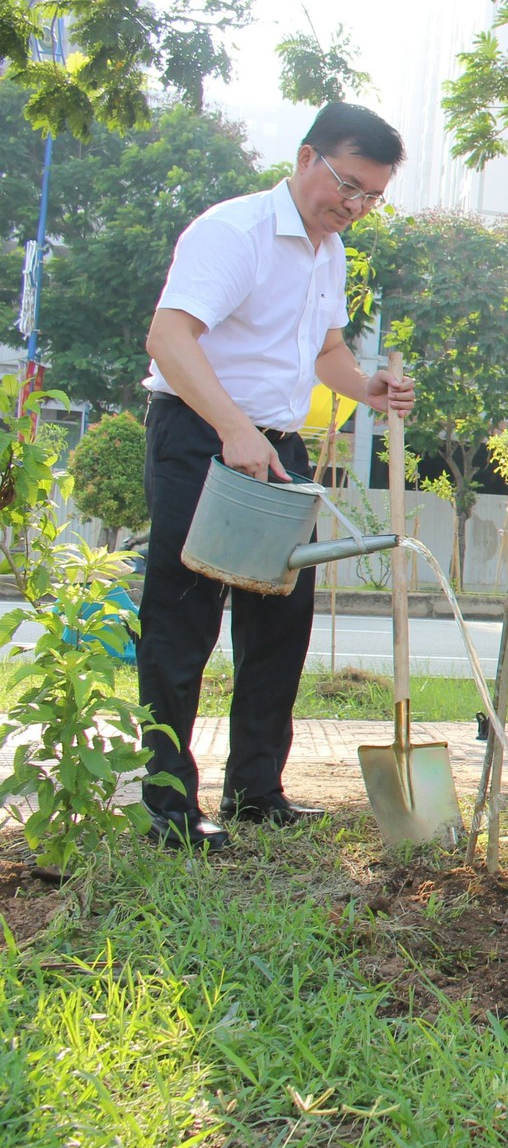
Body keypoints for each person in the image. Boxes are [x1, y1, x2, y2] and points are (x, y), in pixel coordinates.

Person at [137, 101, 415, 851]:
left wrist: (367, 389)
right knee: (183, 616)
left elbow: (325, 353)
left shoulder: (330, 252)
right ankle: (168, 802)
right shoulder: (235, 232)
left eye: (371, 198)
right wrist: (231, 428)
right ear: (305, 157)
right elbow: (169, 336)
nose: (354, 208)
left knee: (280, 619)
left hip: (276, 446)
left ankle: (256, 789)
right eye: (348, 186)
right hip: (201, 436)